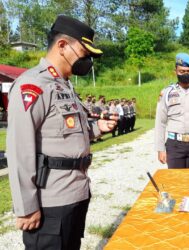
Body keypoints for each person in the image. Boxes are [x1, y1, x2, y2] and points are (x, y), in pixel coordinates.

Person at [6, 15, 117, 250]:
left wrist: (98, 129)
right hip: (51, 202)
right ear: (63, 46)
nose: (87, 60)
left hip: (75, 194)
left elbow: (69, 133)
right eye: (84, 53)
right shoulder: (33, 85)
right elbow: (18, 150)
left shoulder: (65, 86)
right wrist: (27, 207)